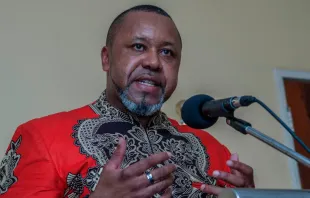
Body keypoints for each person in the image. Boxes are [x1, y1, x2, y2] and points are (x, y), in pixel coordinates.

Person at [0, 4, 255, 198]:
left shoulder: (214, 151)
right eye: (138, 46)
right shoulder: (40, 138)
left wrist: (249, 196)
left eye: (167, 53)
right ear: (106, 59)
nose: (154, 62)